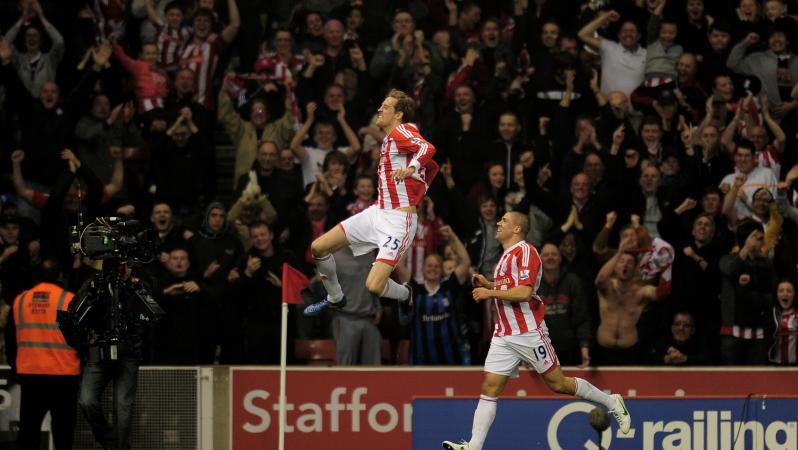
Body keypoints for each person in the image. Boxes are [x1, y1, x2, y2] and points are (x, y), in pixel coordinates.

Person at [441, 212, 630, 450]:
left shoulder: (527, 252)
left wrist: (490, 293)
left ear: (517, 229)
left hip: (527, 330)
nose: (499, 223)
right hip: (504, 333)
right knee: (490, 386)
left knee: (558, 384)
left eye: (504, 221)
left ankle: (612, 402)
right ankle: (473, 446)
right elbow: (512, 285)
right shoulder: (506, 256)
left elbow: (524, 293)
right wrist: (490, 284)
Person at [303, 89, 438, 316]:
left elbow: (427, 148)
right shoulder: (389, 139)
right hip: (377, 213)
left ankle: (406, 294)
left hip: (398, 221)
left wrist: (411, 169)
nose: (379, 109)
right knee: (318, 247)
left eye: (386, 106)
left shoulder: (403, 130)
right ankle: (335, 297)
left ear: (398, 114)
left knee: (373, 286)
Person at [4, 262, 80, 450]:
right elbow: (81, 340)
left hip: (31, 375)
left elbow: (10, 341)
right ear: (61, 276)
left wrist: (16, 369)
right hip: (64, 376)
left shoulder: (20, 301)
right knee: (63, 434)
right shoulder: (69, 300)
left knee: (28, 432)